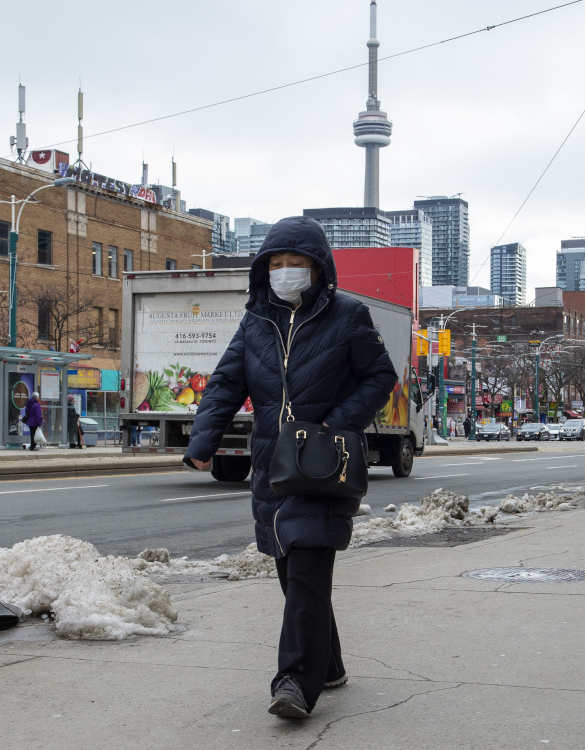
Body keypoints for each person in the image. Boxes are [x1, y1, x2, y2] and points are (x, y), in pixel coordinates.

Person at [183, 217, 397, 719]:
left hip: (324, 465)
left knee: (306, 570)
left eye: (295, 262)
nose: (285, 271)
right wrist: (202, 442)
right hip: (273, 466)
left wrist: (333, 425)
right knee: (294, 575)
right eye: (276, 263)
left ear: (318, 268)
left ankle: (295, 682)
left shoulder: (348, 315)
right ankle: (329, 665)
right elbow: (225, 383)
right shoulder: (255, 322)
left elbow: (380, 376)